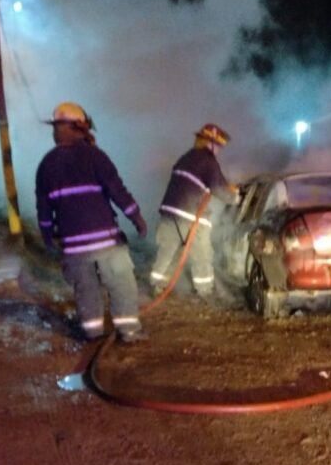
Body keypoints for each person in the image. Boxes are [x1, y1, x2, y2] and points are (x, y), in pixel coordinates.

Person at [35, 102, 149, 343]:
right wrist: (136, 218)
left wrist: (47, 239)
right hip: (106, 242)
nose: (54, 132)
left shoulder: (46, 165)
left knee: (86, 292)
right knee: (121, 285)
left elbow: (44, 211)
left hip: (73, 248)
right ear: (81, 127)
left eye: (55, 127)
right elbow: (118, 192)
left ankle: (93, 333)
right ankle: (129, 332)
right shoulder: (95, 156)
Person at [149, 123, 239, 299]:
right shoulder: (208, 161)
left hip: (169, 213)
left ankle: (157, 286)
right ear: (210, 143)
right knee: (202, 254)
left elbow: (199, 182)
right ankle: (205, 291)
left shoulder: (186, 157)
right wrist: (235, 198)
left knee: (168, 251)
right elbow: (219, 188)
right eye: (218, 146)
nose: (219, 150)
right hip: (190, 216)